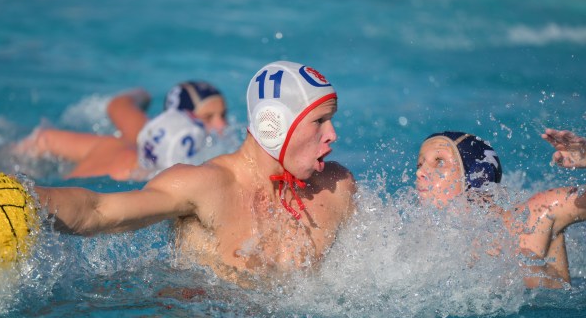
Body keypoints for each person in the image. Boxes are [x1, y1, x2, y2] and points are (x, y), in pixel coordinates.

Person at [33, 61, 356, 284]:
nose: (332, 134)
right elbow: (99, 211)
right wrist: (26, 198)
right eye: (319, 121)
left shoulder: (337, 188)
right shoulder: (205, 185)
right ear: (274, 124)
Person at [415, 129, 586, 288]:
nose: (420, 172)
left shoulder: (534, 216)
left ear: (475, 176)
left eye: (439, 162)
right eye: (420, 162)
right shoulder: (422, 238)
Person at [14, 81, 229, 181]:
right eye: (208, 118)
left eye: (223, 115)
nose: (222, 126)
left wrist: (144, 94)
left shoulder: (136, 134)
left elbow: (44, 139)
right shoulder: (133, 175)